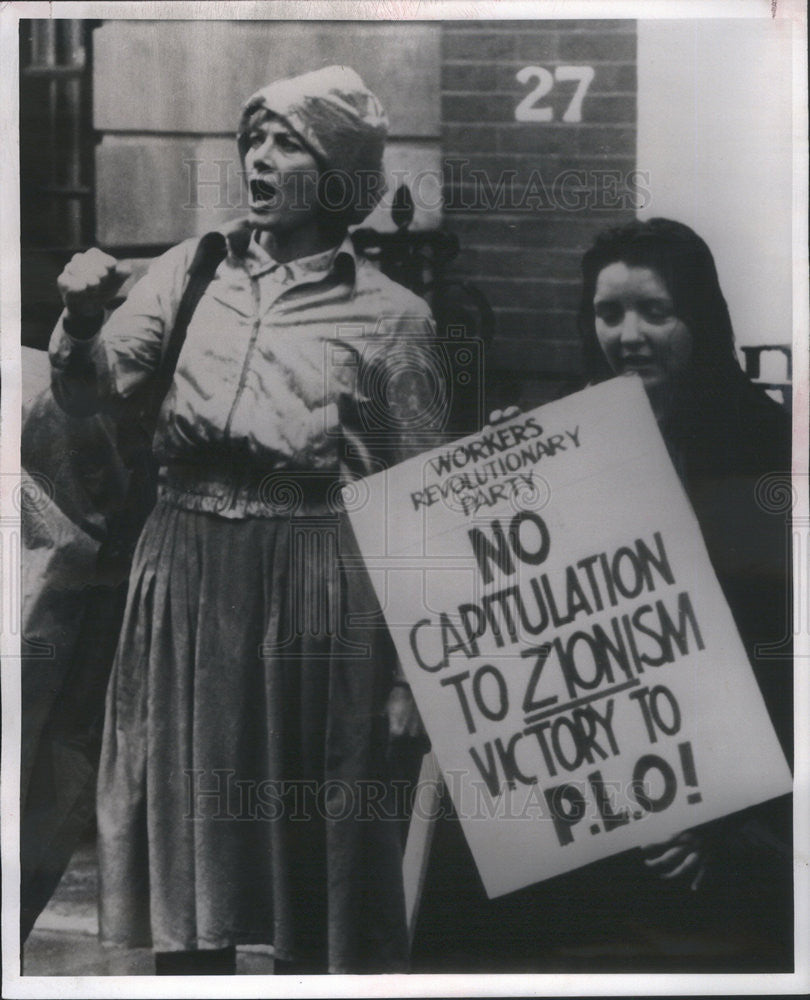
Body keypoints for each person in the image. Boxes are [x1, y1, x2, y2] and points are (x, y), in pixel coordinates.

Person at [48, 66, 440, 975]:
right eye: (253, 139)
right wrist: (76, 319)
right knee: (189, 832)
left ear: (338, 175)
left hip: (316, 594)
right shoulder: (193, 271)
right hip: (184, 578)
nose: (259, 159)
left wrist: (414, 680)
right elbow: (88, 398)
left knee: (311, 843)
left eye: (287, 143)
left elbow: (425, 505)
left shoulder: (396, 318)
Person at [413, 217, 792, 972]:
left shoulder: (764, 446)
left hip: (722, 804)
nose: (630, 334)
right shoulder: (567, 434)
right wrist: (505, 485)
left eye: (657, 310)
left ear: (703, 319)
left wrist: (725, 815)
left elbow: (779, 650)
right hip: (585, 783)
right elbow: (529, 624)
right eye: (607, 312)